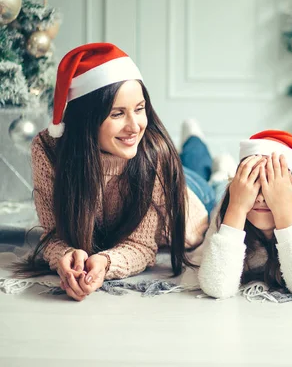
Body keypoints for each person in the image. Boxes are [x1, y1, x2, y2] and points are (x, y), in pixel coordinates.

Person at [17, 43, 216, 301]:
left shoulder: (155, 154)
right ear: (86, 119)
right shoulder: (49, 150)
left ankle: (196, 140)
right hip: (148, 162)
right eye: (117, 113)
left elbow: (142, 246)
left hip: (190, 194)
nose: (134, 126)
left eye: (140, 108)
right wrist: (65, 256)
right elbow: (53, 234)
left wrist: (105, 263)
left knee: (206, 174)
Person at [197, 130, 292, 299]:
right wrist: (237, 208)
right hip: (215, 195)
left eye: (270, 188)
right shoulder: (228, 209)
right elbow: (217, 287)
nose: (260, 198)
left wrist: (284, 211)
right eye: (254, 185)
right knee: (211, 179)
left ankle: (223, 170)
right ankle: (220, 170)